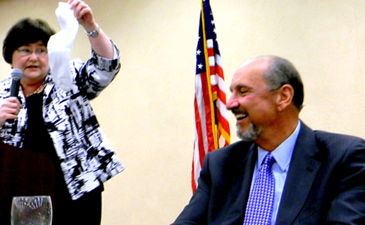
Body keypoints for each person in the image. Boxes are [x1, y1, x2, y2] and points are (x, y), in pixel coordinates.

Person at [172, 55, 365, 224]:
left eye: (243, 91)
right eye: (232, 92)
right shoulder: (220, 163)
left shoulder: (344, 157)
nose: (230, 104)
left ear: (283, 96)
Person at [0, 0, 123, 224]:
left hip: (77, 189)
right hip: (19, 192)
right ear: (10, 56)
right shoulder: (2, 94)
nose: (34, 57)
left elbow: (106, 67)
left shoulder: (67, 78)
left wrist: (90, 25)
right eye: (25, 50)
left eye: (41, 50)